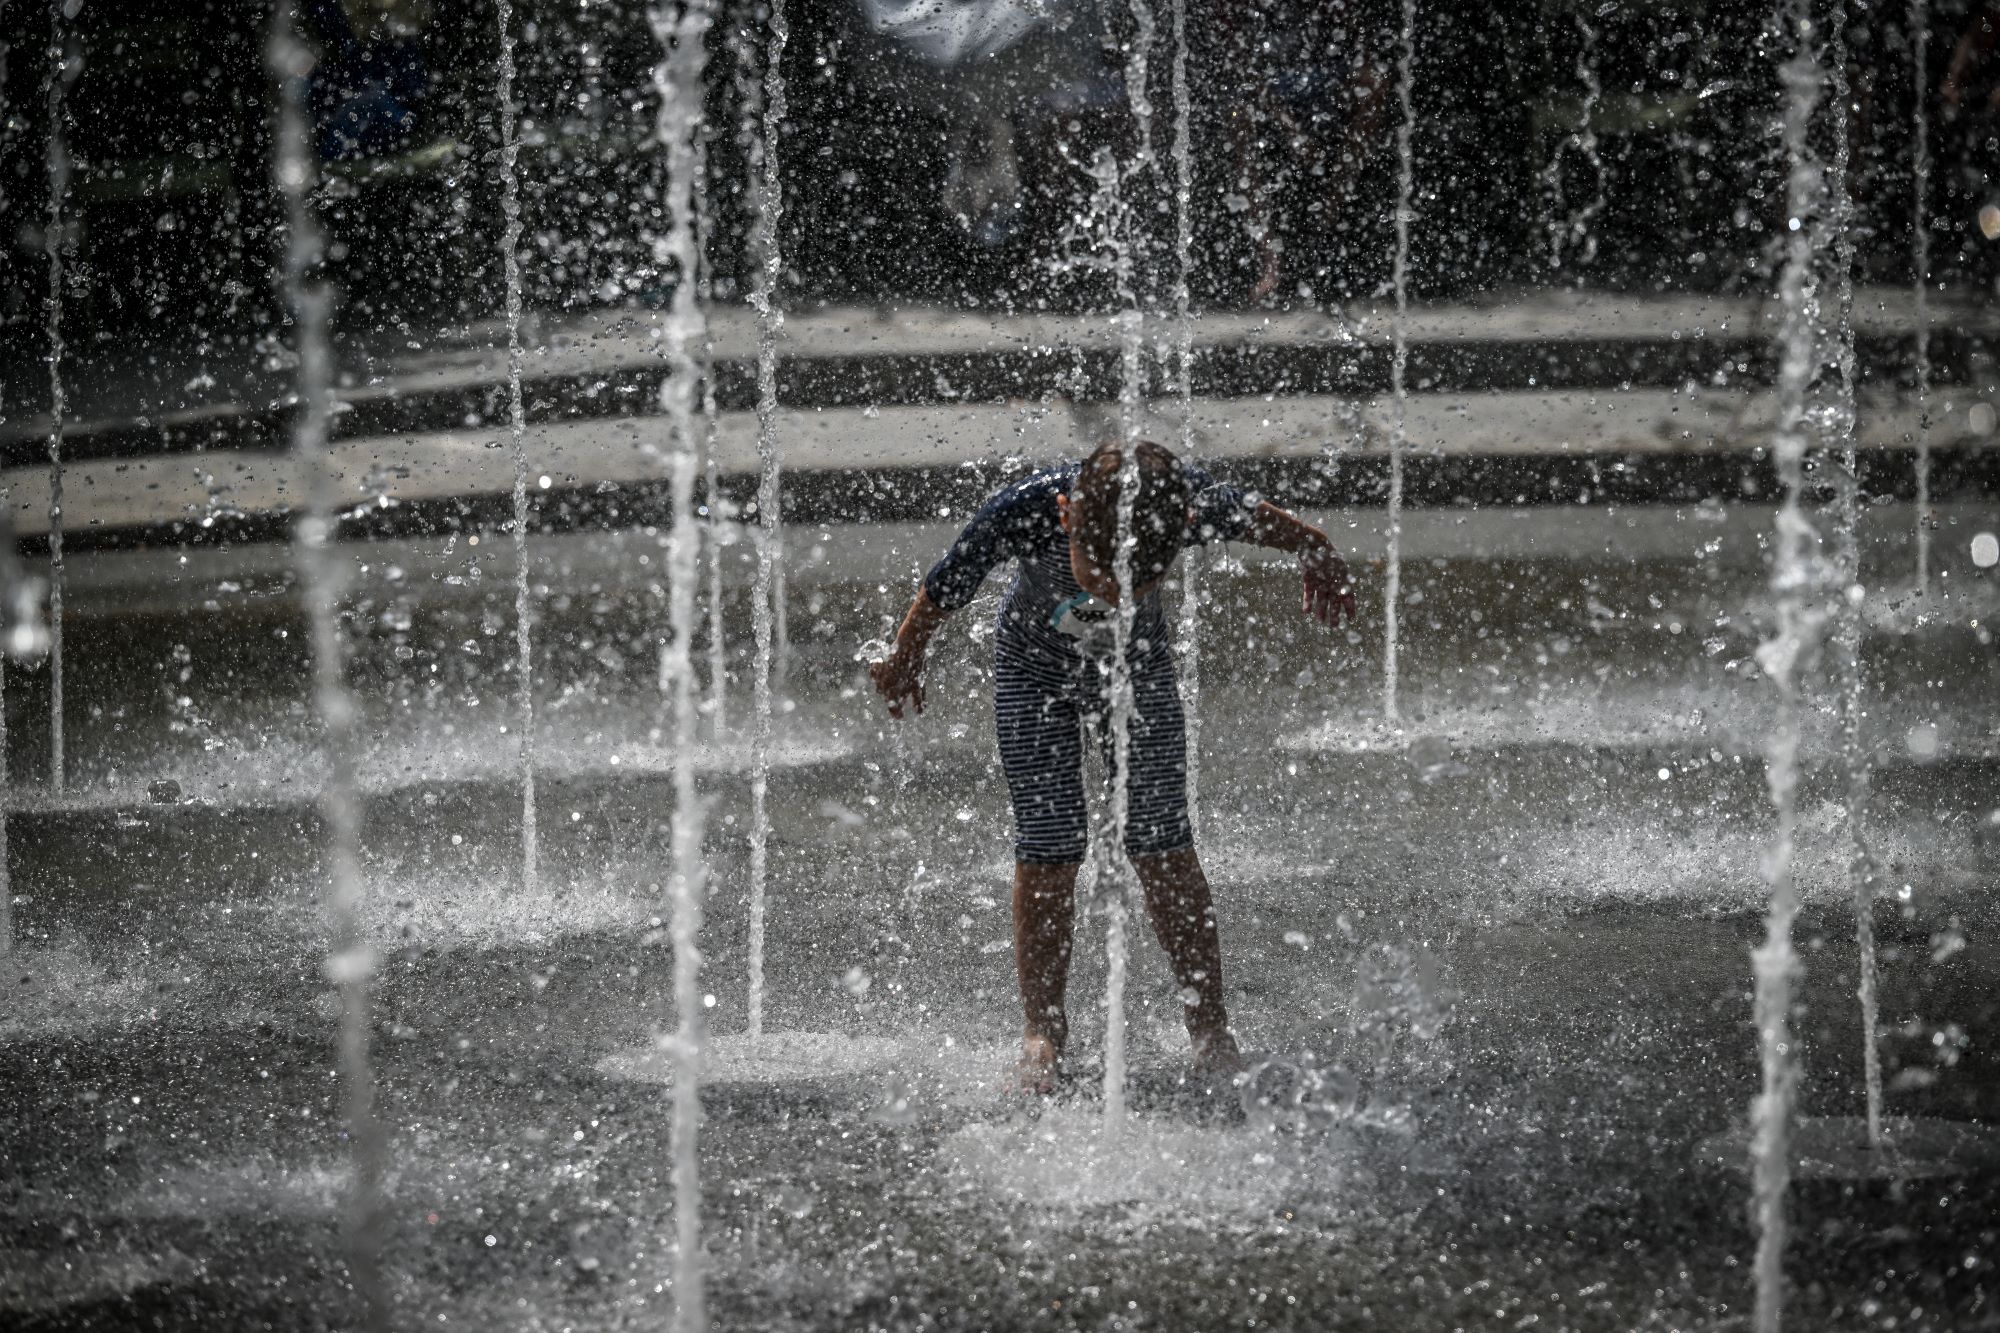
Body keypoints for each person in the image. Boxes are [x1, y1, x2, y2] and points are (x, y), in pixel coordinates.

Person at [868, 441, 1357, 1093]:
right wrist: (906, 654)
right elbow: (944, 586)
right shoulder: (1026, 509)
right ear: (1066, 517)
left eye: (1139, 582)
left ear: (1182, 526)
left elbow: (1269, 521)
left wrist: (1315, 548)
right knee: (1048, 848)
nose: (1118, 594)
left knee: (1163, 845)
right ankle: (1043, 1030)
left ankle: (1210, 1027)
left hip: (1138, 672)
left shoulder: (1190, 506)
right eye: (1101, 577)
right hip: (1032, 673)